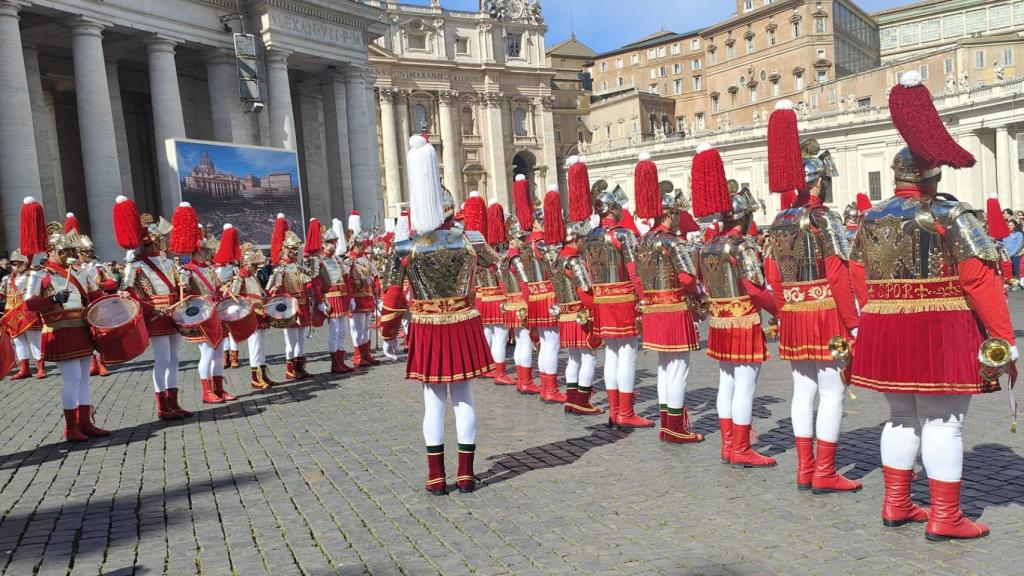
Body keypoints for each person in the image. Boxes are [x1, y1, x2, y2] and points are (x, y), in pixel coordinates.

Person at [850, 70, 1017, 540]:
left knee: (901, 417)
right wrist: (1003, 339)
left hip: (885, 327)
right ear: (933, 174)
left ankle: (897, 503)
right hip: (941, 327)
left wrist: (877, 311)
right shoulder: (949, 212)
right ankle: (945, 515)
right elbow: (980, 279)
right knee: (945, 421)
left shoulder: (870, 217)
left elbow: (859, 274)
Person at [379, 136, 497, 495]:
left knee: (433, 404)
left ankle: (435, 476)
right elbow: (497, 263)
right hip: (464, 321)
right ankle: (465, 475)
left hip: (427, 325)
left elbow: (394, 296)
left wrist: (387, 332)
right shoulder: (470, 239)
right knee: (464, 400)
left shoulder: (405, 246)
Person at [763, 101, 862, 493]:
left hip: (794, 312)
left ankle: (805, 468)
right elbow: (839, 274)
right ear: (819, 182)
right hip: (825, 312)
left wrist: (785, 309)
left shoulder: (780, 219)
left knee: (802, 390)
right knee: (833, 390)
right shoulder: (825, 218)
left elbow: (772, 274)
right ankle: (825, 470)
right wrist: (854, 322)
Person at [693, 145, 779, 468]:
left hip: (719, 321)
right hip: (743, 319)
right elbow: (756, 290)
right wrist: (780, 309)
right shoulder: (742, 246)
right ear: (744, 216)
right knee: (745, 384)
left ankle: (729, 443)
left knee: (726, 381)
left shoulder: (709, 245)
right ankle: (741, 447)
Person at [20, 198, 111, 441]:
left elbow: (95, 294)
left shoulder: (80, 272)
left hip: (81, 327)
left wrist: (114, 293)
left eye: (70, 251)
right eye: (62, 252)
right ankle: (71, 428)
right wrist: (51, 300)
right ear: (50, 251)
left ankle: (85, 422)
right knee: (71, 379)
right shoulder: (40, 275)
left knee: (83, 379)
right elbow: (28, 303)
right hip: (60, 329)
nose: (67, 255)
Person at [634, 165, 705, 443]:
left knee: (665, 367)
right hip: (674, 307)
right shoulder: (673, 242)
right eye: (677, 213)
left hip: (652, 307)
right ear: (668, 213)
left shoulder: (643, 241)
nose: (679, 218)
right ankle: (675, 426)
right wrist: (699, 291)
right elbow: (687, 278)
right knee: (677, 368)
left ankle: (668, 422)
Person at [578, 182, 651, 428]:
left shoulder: (590, 237)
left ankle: (614, 410)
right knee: (628, 355)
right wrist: (644, 298)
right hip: (624, 299)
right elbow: (634, 272)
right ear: (612, 209)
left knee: (610, 354)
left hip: (601, 299)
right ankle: (626, 412)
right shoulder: (622, 234)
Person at [116, 197, 192, 420]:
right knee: (163, 359)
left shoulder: (169, 263)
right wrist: (150, 310)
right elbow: (126, 294)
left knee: (175, 358)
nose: (165, 243)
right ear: (153, 241)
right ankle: (162, 405)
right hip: (156, 315)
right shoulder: (135, 266)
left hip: (173, 313)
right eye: (162, 239)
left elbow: (180, 287)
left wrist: (184, 288)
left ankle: (173, 402)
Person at [170, 203, 237, 404]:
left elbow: (217, 287)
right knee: (207, 353)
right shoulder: (186, 270)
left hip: (215, 313)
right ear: (197, 251)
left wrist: (224, 289)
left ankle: (219, 388)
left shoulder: (208, 269)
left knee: (217, 352)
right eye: (205, 251)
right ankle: (206, 391)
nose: (208, 254)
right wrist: (182, 285)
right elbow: (183, 296)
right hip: (200, 315)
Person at [267, 220, 316, 380]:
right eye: (292, 249)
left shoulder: (299, 267)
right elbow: (274, 291)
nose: (295, 251)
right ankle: (290, 368)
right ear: (285, 249)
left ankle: (299, 367)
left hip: (302, 306)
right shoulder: (280, 270)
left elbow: (307, 284)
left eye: (296, 248)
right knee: (291, 341)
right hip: (289, 309)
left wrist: (312, 288)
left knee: (301, 340)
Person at [318, 219, 356, 374]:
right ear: (324, 243)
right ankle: (335, 363)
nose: (334, 245)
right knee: (334, 331)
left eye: (335, 242)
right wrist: (321, 302)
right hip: (331, 298)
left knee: (342, 331)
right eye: (331, 242)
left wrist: (351, 297)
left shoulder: (338, 260)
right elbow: (317, 284)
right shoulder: (319, 261)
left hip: (342, 297)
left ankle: (341, 360)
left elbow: (347, 280)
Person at [1, 250, 45, 380]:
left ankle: (40, 367)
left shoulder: (32, 276)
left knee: (35, 340)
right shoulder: (7, 279)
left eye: (19, 263)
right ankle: (24, 368)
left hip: (28, 311)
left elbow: (34, 294)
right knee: (18, 342)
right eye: (14, 264)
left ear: (25, 263)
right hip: (11, 313)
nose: (16, 266)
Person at [1005, 221, 1023, 287]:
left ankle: (1019, 284)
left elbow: (1019, 245)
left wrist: (1012, 253)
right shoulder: (1005, 234)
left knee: (1016, 270)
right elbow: (1004, 244)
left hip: (1015, 255)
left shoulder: (1019, 234)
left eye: (1011, 225)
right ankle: (1013, 284)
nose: (1009, 226)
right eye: (1008, 225)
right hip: (1007, 255)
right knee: (1009, 270)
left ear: (1015, 225)